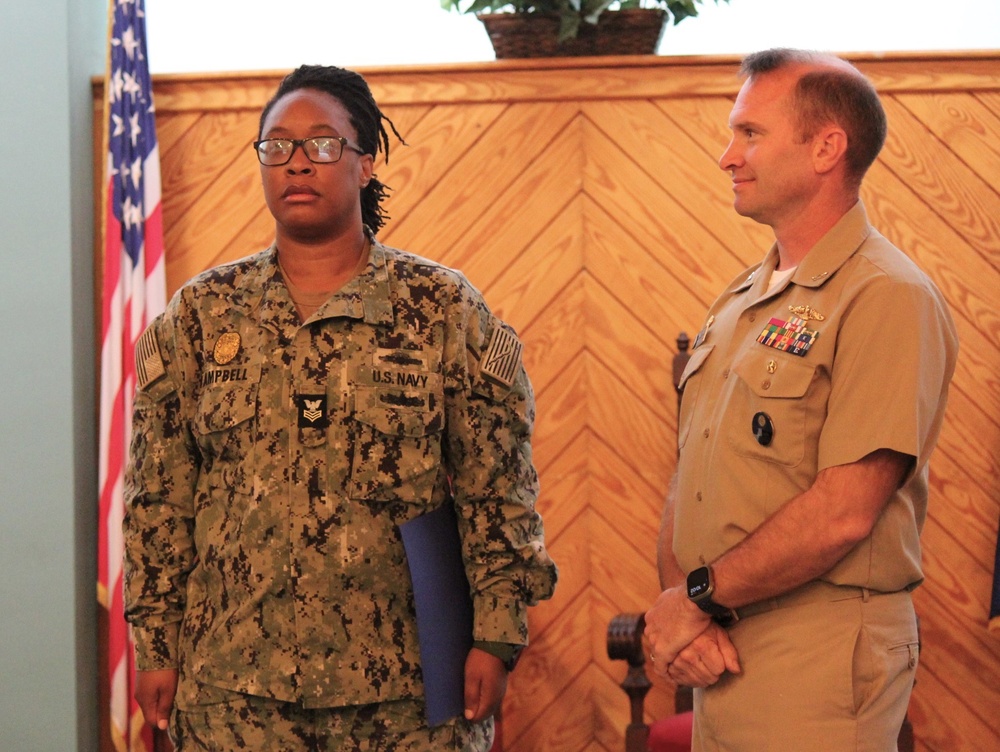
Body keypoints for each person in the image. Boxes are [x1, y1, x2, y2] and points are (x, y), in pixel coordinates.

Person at [123, 64, 557, 752]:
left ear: (367, 163)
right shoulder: (202, 316)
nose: (298, 162)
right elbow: (158, 501)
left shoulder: (440, 308)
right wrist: (154, 642)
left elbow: (497, 486)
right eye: (277, 146)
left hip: (409, 692)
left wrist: (498, 634)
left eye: (323, 144)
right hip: (236, 691)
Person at [643, 48, 958, 751]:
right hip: (720, 642)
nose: (727, 156)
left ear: (826, 147)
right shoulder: (741, 299)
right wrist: (681, 608)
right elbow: (692, 476)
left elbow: (844, 511)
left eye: (750, 133)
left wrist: (695, 598)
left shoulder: (886, 295)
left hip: (817, 651)